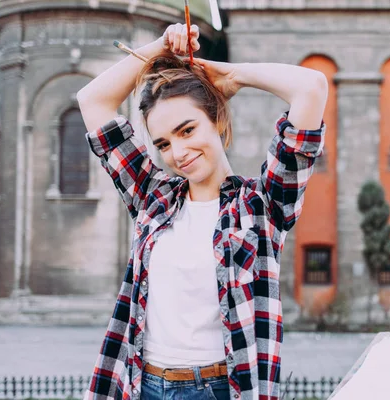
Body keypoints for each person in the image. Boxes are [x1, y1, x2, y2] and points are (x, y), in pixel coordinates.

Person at [78, 22, 327, 400]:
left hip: (220, 389)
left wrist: (233, 75)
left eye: (187, 130)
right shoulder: (152, 198)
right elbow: (92, 101)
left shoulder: (262, 206)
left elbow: (311, 88)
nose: (177, 153)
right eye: (163, 143)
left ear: (218, 121)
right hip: (142, 385)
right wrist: (160, 48)